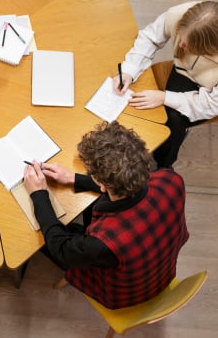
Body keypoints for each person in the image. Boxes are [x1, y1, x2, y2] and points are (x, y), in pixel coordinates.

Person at [23, 121, 189, 309]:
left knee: (46, 238)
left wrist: (38, 194)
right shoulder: (171, 178)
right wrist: (73, 178)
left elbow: (60, 248)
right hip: (160, 268)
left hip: (128, 293)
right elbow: (129, 184)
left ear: (102, 184)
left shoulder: (103, 244)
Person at [114, 1, 218, 168]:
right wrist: (129, 70)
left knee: (173, 120)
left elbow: (210, 104)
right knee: (151, 107)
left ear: (210, 48)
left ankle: (161, 166)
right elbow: (150, 38)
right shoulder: (182, 14)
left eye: (189, 45)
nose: (180, 45)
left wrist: (164, 97)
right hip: (187, 71)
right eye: (180, 35)